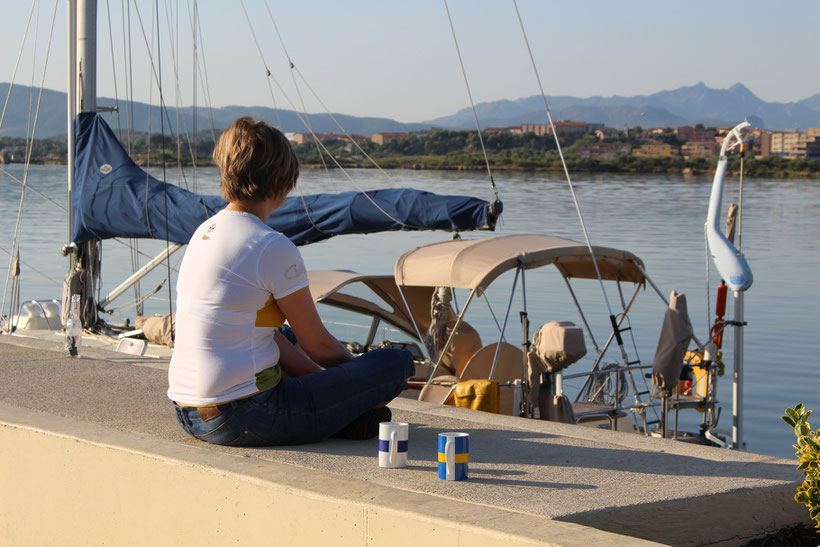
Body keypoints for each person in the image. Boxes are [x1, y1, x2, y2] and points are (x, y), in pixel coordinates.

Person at [168, 117, 414, 446]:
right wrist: (357, 383)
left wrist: (339, 389)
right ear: (279, 178)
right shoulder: (269, 244)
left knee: (280, 332)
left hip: (190, 412)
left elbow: (266, 333)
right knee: (395, 362)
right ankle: (347, 414)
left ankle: (344, 416)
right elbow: (319, 347)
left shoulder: (205, 231)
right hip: (244, 414)